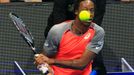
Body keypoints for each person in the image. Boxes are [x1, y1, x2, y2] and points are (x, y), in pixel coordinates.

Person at [35, 0, 105, 75]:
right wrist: (46, 69)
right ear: (76, 11)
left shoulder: (97, 32)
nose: (89, 14)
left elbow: (82, 64)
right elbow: (41, 61)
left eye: (92, 11)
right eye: (85, 10)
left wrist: (52, 61)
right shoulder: (57, 31)